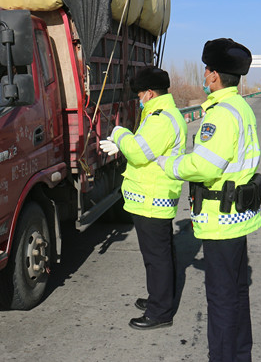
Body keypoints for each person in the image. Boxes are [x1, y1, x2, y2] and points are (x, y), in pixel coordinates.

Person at [156, 38, 261, 362]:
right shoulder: (241, 107)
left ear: (215, 75)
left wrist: (170, 165)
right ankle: (240, 355)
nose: (204, 75)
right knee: (236, 293)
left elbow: (203, 165)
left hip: (219, 219)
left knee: (221, 300)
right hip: (237, 217)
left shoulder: (221, 114)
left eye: (206, 70)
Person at [99, 66, 187, 330]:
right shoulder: (159, 115)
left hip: (152, 199)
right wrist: (127, 144)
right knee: (161, 254)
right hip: (152, 197)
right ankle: (159, 298)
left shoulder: (161, 118)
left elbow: (138, 152)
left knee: (156, 257)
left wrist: (119, 133)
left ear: (150, 93)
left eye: (139, 94)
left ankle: (160, 312)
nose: (138, 99)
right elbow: (145, 148)